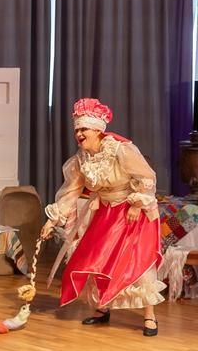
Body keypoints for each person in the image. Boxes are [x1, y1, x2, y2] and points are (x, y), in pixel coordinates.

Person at [40, 98, 164, 336]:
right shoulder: (81, 159)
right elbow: (70, 192)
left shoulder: (121, 149)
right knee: (98, 259)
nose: (79, 133)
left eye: (83, 129)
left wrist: (137, 203)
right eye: (77, 129)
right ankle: (102, 308)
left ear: (97, 130)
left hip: (132, 211)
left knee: (137, 261)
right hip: (106, 211)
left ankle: (150, 316)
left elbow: (146, 176)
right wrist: (51, 220)